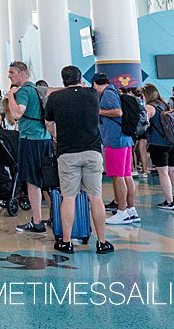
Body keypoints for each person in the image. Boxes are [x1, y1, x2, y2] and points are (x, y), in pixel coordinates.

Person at [43, 65, 114, 254]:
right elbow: (87, 88)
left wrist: (56, 136)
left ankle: (66, 241)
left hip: (67, 153)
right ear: (80, 78)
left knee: (69, 197)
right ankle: (102, 242)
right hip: (92, 151)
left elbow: (49, 122)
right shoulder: (92, 94)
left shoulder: (55, 98)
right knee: (95, 197)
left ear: (62, 79)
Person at [5, 62, 52, 233]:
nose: (9, 76)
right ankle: (55, 218)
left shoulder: (23, 91)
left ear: (22, 73)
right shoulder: (37, 89)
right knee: (46, 180)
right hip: (45, 138)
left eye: (12, 73)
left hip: (31, 139)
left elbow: (17, 113)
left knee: (33, 182)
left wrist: (10, 95)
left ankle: (37, 221)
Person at [97, 74, 140, 225]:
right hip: (124, 139)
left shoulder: (108, 94)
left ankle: (121, 211)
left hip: (115, 140)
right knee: (126, 175)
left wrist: (99, 111)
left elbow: (117, 112)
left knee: (117, 176)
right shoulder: (115, 91)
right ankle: (130, 209)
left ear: (96, 84)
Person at [143, 84, 174, 211]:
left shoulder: (149, 107)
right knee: (173, 171)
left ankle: (169, 201)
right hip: (173, 142)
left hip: (158, 143)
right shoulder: (165, 105)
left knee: (163, 173)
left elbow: (143, 124)